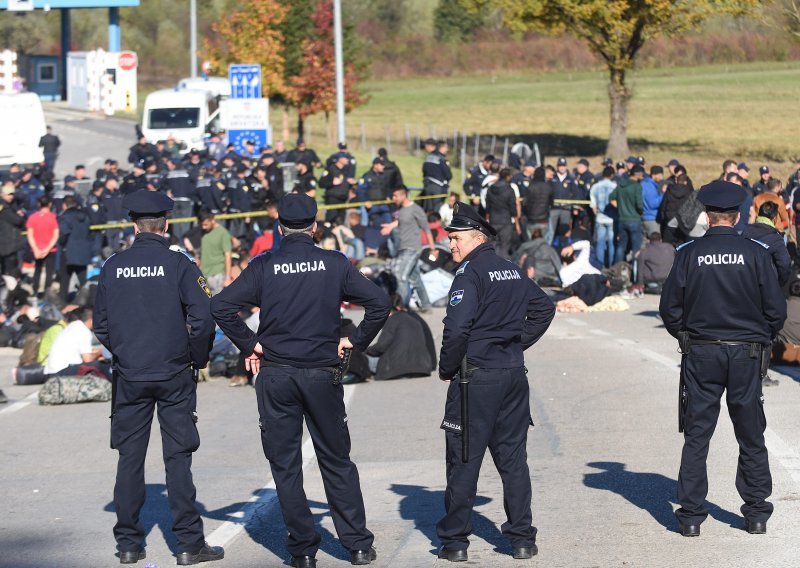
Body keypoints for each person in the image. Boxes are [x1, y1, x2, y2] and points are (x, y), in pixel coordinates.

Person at [211, 193, 390, 568]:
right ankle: (357, 545)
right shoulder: (334, 263)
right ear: (315, 226)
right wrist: (354, 340)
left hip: (276, 373)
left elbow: (221, 306)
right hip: (320, 373)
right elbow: (379, 303)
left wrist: (250, 343)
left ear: (279, 229)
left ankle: (303, 549)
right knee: (336, 459)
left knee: (285, 464)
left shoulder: (265, 264)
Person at [93, 190, 222, 566]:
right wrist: (195, 358)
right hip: (173, 371)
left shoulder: (113, 265)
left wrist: (126, 352)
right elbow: (204, 317)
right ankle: (188, 544)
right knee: (177, 458)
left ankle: (130, 545)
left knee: (129, 459)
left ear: (134, 224)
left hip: (131, 373)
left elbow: (100, 323)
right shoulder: (179, 263)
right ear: (166, 223)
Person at [659, 180, 787, 538]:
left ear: (707, 214)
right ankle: (757, 512)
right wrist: (761, 338)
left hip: (702, 351)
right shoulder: (757, 252)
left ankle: (691, 516)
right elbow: (775, 310)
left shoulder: (688, 253)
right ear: (737, 215)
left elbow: (669, 309)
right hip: (746, 353)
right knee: (750, 432)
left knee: (698, 434)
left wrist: (686, 335)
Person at [435, 201, 555, 563]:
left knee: (464, 460)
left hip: (476, 380)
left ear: (475, 238)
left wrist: (446, 367)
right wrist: (517, 341)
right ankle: (522, 539)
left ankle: (455, 542)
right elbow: (544, 308)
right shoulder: (509, 269)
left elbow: (456, 328)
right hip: (513, 376)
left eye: (454, 238)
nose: (450, 245)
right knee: (513, 461)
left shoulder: (469, 273)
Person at [381, 187, 436, 311]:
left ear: (403, 195)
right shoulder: (400, 210)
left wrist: (433, 249)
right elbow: (398, 221)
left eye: (395, 196)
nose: (393, 198)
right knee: (415, 278)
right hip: (402, 248)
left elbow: (426, 229)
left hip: (412, 248)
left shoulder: (416, 209)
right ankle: (426, 306)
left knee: (401, 275)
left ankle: (399, 306)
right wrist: (390, 226)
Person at [365, 294, 436, 380]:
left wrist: (366, 350)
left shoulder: (392, 320)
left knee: (362, 358)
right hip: (422, 367)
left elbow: (381, 346)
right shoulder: (415, 320)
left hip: (396, 368)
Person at [43, 306, 105, 377]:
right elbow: (88, 359)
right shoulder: (84, 331)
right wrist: (101, 352)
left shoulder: (73, 325)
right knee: (102, 365)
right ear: (91, 320)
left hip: (51, 371)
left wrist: (97, 353)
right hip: (62, 371)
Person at [57, 195, 92, 302]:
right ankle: (88, 302)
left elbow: (64, 234)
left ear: (64, 205)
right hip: (83, 252)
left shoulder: (65, 218)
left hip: (69, 253)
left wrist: (60, 242)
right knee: (83, 281)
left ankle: (63, 304)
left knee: (64, 281)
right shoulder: (85, 216)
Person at [610, 164, 645, 263]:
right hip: (634, 220)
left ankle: (617, 270)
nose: (642, 177)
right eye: (642, 175)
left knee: (621, 246)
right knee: (636, 248)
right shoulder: (637, 186)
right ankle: (635, 271)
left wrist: (620, 207)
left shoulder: (621, 184)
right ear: (638, 175)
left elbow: (611, 198)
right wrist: (641, 212)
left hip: (622, 220)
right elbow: (639, 204)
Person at [26, 196, 59, 297]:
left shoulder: (32, 217)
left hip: (37, 249)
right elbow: (56, 235)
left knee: (37, 270)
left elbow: (30, 235)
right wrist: (47, 249)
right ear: (50, 204)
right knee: (49, 272)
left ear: (39, 204)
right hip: (50, 249)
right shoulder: (53, 217)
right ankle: (47, 292)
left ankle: (35, 291)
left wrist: (36, 249)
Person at [198, 209, 233, 295]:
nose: (203, 227)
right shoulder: (203, 232)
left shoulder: (223, 233)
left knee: (217, 305)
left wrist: (228, 278)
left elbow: (228, 256)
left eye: (206, 224)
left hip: (217, 275)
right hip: (204, 275)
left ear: (212, 220)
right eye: (202, 224)